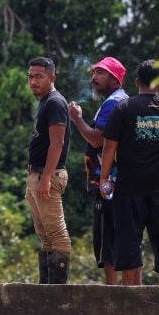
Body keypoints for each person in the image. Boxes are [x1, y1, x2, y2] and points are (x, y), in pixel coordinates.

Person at [100, 60, 159, 286]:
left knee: (129, 239)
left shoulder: (124, 107)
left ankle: (131, 292)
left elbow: (109, 146)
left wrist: (104, 178)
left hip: (130, 186)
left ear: (137, 82)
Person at [69, 57, 128, 284]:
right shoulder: (119, 100)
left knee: (106, 237)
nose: (94, 78)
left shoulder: (113, 103)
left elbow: (97, 140)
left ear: (114, 79)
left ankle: (112, 292)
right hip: (116, 180)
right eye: (94, 73)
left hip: (108, 182)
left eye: (100, 74)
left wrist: (77, 119)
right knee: (118, 235)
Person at [26, 57, 71, 284]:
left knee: (57, 235)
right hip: (37, 174)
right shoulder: (44, 101)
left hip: (49, 174)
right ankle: (46, 289)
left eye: (39, 76)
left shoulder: (54, 102)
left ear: (52, 78)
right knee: (44, 235)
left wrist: (45, 178)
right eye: (31, 76)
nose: (33, 81)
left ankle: (57, 295)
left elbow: (57, 143)